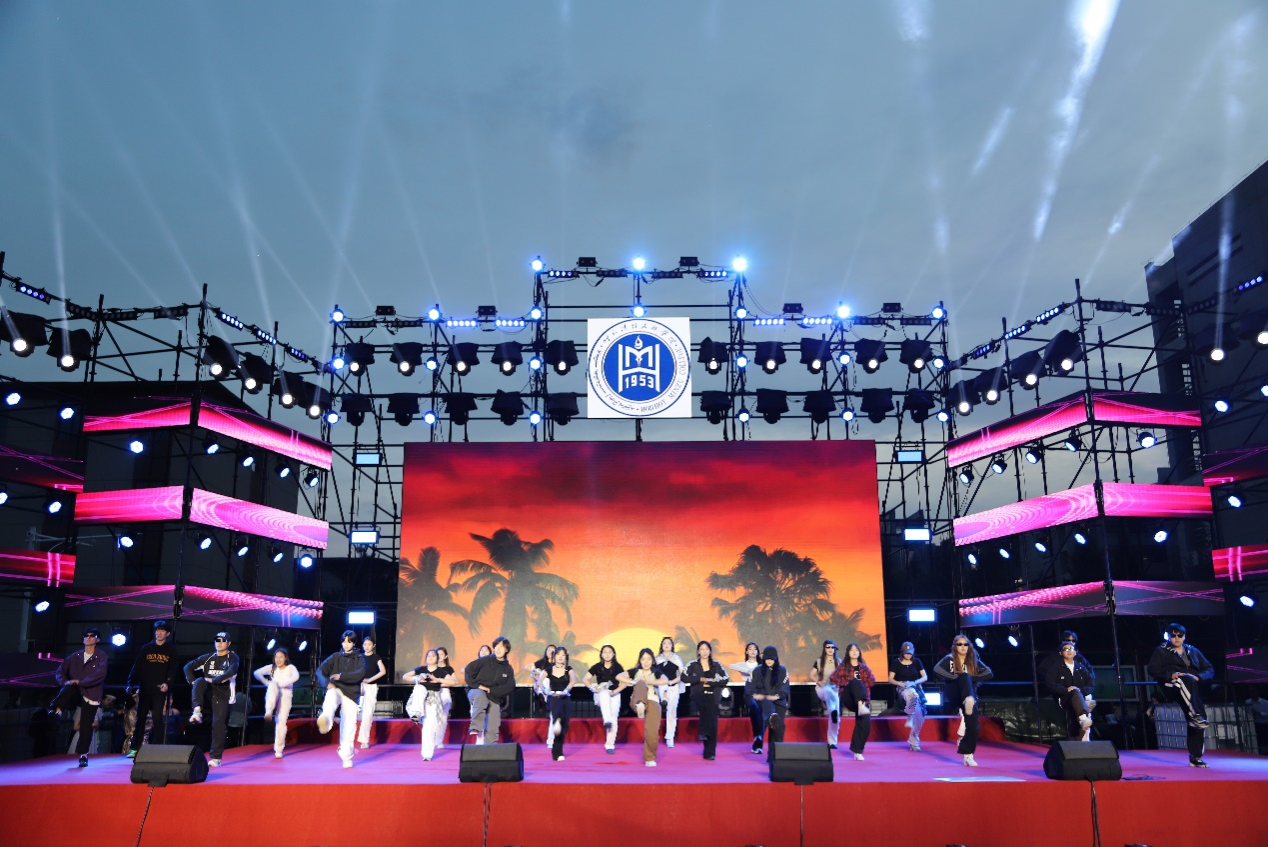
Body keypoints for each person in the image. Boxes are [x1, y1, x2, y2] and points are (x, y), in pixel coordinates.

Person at [1147, 623, 1214, 767]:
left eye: (1180, 635)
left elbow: (1209, 668)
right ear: (1168, 636)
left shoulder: (1193, 650)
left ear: (1184, 636)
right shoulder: (1161, 651)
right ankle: (1195, 714)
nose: (1176, 638)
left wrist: (1199, 677)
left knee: (1198, 717)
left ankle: (1195, 757)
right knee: (1195, 710)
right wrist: (1170, 675)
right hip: (1172, 684)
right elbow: (1152, 669)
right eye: (1173, 635)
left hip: (1192, 688)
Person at [50, 627, 108, 767]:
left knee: (86, 725)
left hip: (91, 693)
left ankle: (83, 755)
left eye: (92, 635)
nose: (88, 638)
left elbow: (100, 674)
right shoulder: (75, 656)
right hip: (76, 690)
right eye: (86, 635)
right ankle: (57, 709)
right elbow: (60, 671)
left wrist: (81, 682)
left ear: (97, 639)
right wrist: (65, 681)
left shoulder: (101, 656)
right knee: (69, 687)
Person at [934, 635, 993, 767]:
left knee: (973, 725)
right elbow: (937, 669)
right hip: (954, 692)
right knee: (964, 676)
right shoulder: (949, 659)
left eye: (965, 644)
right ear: (955, 647)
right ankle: (968, 699)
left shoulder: (972, 660)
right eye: (959, 644)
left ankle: (968, 755)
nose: (963, 647)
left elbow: (989, 672)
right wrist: (955, 677)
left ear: (969, 646)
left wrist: (972, 678)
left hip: (970, 695)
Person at [183, 631, 240, 768]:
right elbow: (187, 667)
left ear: (229, 643)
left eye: (222, 641)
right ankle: (197, 711)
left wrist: (214, 680)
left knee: (218, 723)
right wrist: (192, 681)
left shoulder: (232, 657)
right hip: (208, 691)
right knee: (199, 681)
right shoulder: (208, 657)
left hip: (223, 693)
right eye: (217, 640)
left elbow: (231, 672)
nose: (219, 643)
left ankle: (216, 757)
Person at [317, 630, 366, 768]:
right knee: (331, 694)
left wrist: (341, 676)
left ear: (354, 643)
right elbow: (320, 670)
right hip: (337, 688)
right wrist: (327, 683)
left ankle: (347, 757)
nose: (346, 644)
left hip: (352, 694)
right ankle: (326, 719)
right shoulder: (336, 656)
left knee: (349, 725)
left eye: (349, 641)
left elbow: (360, 673)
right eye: (344, 641)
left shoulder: (360, 658)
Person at [126, 620, 175, 756]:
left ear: (167, 634)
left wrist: (167, 683)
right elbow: (137, 667)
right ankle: (135, 748)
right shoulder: (146, 649)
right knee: (140, 717)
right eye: (157, 630)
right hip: (145, 689)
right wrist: (130, 683)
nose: (159, 633)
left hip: (160, 690)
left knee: (157, 717)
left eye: (162, 631)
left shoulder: (171, 651)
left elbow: (172, 670)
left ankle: (157, 748)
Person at [619, 648, 673, 767]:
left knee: (652, 732)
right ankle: (640, 705)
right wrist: (634, 681)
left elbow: (665, 680)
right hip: (637, 698)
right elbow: (619, 676)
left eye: (648, 659)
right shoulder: (635, 671)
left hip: (653, 700)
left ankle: (650, 758)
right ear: (640, 660)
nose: (646, 662)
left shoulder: (656, 672)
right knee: (640, 683)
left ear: (652, 660)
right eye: (643, 659)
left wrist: (649, 681)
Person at [403, 650, 454, 761]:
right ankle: (416, 714)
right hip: (420, 697)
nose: (430, 657)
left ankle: (427, 754)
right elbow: (405, 676)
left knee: (429, 727)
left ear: (437, 658)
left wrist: (437, 680)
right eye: (428, 656)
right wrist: (417, 678)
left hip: (433, 699)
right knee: (419, 688)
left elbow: (453, 682)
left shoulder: (441, 671)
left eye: (433, 656)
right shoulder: (421, 669)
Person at [684, 640, 730, 761]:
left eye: (707, 649)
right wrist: (699, 679)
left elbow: (726, 679)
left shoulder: (716, 665)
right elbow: (684, 677)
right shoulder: (693, 664)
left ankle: (709, 752)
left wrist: (710, 682)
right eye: (702, 649)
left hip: (713, 695)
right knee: (705, 707)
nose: (704, 652)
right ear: (698, 651)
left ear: (710, 651)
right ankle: (703, 732)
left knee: (713, 722)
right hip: (698, 693)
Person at [465, 637, 515, 745]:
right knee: (480, 696)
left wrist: (491, 690)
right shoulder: (485, 660)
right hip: (476, 691)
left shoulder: (508, 668)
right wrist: (477, 685)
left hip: (493, 696)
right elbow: (468, 669)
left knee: (494, 720)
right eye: (496, 646)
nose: (498, 649)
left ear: (506, 649)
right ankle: (475, 727)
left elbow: (510, 686)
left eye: (501, 646)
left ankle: (490, 747)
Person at [830, 643, 875, 760]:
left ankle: (857, 751)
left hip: (863, 699)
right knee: (854, 682)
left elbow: (872, 681)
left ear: (859, 652)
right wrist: (847, 683)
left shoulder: (864, 667)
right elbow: (833, 678)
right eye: (852, 650)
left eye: (856, 650)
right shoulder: (843, 666)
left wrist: (862, 686)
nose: (854, 652)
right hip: (848, 697)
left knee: (865, 724)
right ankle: (861, 705)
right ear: (848, 653)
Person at [1044, 641, 1096, 741]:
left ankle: (1083, 734)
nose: (1069, 651)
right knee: (1078, 698)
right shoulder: (1056, 667)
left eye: (1071, 649)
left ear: (1075, 652)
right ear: (1061, 653)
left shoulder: (1081, 667)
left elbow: (1091, 684)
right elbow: (1049, 683)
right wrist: (1065, 690)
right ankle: (1083, 717)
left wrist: (1081, 691)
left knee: (1080, 710)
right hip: (1064, 698)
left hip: (1079, 697)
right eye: (1066, 649)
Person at [254, 647, 300, 759]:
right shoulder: (272, 668)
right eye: (276, 657)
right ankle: (269, 710)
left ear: (285, 658)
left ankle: (278, 750)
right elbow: (257, 673)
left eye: (281, 657)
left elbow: (296, 676)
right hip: (273, 691)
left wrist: (283, 683)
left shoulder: (290, 667)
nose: (278, 660)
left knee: (281, 721)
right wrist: (267, 683)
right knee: (272, 685)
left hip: (285, 696)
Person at [747, 646, 790, 757]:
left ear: (776, 658)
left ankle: (775, 756)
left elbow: (785, 688)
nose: (769, 661)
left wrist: (777, 696)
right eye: (767, 659)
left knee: (778, 729)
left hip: (778, 701)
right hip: (764, 700)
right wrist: (755, 695)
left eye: (772, 659)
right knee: (767, 705)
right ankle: (771, 717)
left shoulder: (782, 670)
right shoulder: (757, 670)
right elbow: (749, 685)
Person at [584, 645, 627, 754]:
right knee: (604, 693)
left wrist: (614, 691)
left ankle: (610, 745)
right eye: (605, 652)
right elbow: (585, 679)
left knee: (614, 718)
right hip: (601, 695)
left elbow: (624, 683)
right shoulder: (597, 666)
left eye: (609, 652)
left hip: (614, 694)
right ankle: (607, 720)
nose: (607, 654)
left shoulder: (618, 667)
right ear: (601, 654)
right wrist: (593, 688)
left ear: (613, 654)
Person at [888, 641, 928, 751]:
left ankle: (914, 741)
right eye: (906, 653)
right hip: (903, 687)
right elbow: (890, 679)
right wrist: (899, 683)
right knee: (911, 694)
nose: (908, 655)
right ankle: (910, 715)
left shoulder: (917, 662)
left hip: (915, 686)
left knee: (919, 715)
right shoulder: (896, 663)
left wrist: (914, 682)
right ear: (902, 652)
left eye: (910, 653)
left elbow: (925, 677)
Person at [542, 647, 577, 761]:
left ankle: (557, 752)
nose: (560, 657)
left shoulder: (568, 669)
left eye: (563, 655)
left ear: (566, 657)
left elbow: (573, 680)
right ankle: (556, 719)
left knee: (564, 726)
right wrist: (546, 691)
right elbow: (539, 681)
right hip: (554, 696)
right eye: (558, 654)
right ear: (554, 656)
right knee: (557, 710)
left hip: (565, 696)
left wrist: (566, 690)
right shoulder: (548, 670)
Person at [729, 642, 762, 752]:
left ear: (757, 652)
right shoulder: (744, 665)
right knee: (754, 707)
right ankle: (758, 736)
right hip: (749, 692)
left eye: (755, 649)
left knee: (761, 714)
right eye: (750, 649)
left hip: (761, 692)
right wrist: (748, 671)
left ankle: (758, 740)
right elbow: (732, 666)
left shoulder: (761, 665)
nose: (752, 651)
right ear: (747, 651)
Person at [357, 636, 388, 750]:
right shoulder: (359, 657)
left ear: (373, 645)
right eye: (365, 644)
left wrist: (370, 680)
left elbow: (383, 671)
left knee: (368, 713)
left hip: (371, 687)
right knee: (353, 710)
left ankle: (364, 740)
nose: (367, 646)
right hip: (358, 685)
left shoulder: (376, 657)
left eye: (369, 644)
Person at [657, 637, 688, 748]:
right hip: (660, 687)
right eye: (664, 643)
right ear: (661, 646)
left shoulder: (676, 658)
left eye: (669, 643)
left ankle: (670, 737)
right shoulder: (657, 659)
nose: (666, 645)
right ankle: (663, 700)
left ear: (672, 646)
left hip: (673, 687)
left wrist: (672, 681)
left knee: (671, 712)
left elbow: (682, 674)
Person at [810, 640, 842, 749]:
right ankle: (831, 710)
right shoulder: (819, 661)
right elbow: (811, 675)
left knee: (836, 717)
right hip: (822, 689)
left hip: (835, 690)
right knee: (828, 690)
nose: (830, 649)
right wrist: (818, 682)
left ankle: (832, 742)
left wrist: (838, 685)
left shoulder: (839, 662)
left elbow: (843, 676)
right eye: (828, 647)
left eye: (832, 647)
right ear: (824, 649)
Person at [434, 646, 456, 748]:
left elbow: (455, 681)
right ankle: (432, 739)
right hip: (432, 693)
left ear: (446, 656)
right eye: (437, 654)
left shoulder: (448, 669)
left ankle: (439, 741)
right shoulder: (431, 668)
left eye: (441, 654)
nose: (439, 656)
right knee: (433, 717)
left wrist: (439, 684)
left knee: (443, 718)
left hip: (444, 693)